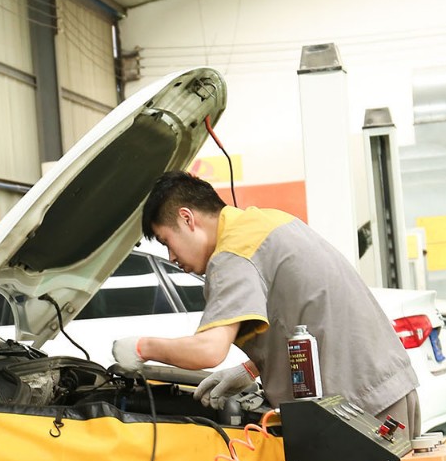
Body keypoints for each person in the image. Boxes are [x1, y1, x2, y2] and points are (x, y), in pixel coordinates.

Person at [112, 171, 420, 434]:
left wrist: (142, 348)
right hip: (385, 391)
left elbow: (209, 350)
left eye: (167, 242)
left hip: (358, 409)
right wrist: (251, 369)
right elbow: (302, 314)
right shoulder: (269, 222)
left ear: (187, 218)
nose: (172, 258)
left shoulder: (233, 253)